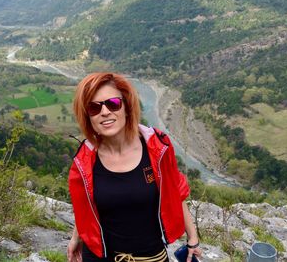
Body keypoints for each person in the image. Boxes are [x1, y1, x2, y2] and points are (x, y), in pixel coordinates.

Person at [67, 72, 202, 262]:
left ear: (127, 107)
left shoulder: (157, 148)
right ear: (88, 117)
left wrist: (193, 239)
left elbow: (177, 193)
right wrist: (76, 238)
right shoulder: (85, 161)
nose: (105, 112)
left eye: (113, 103)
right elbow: (85, 206)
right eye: (94, 108)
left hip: (151, 257)